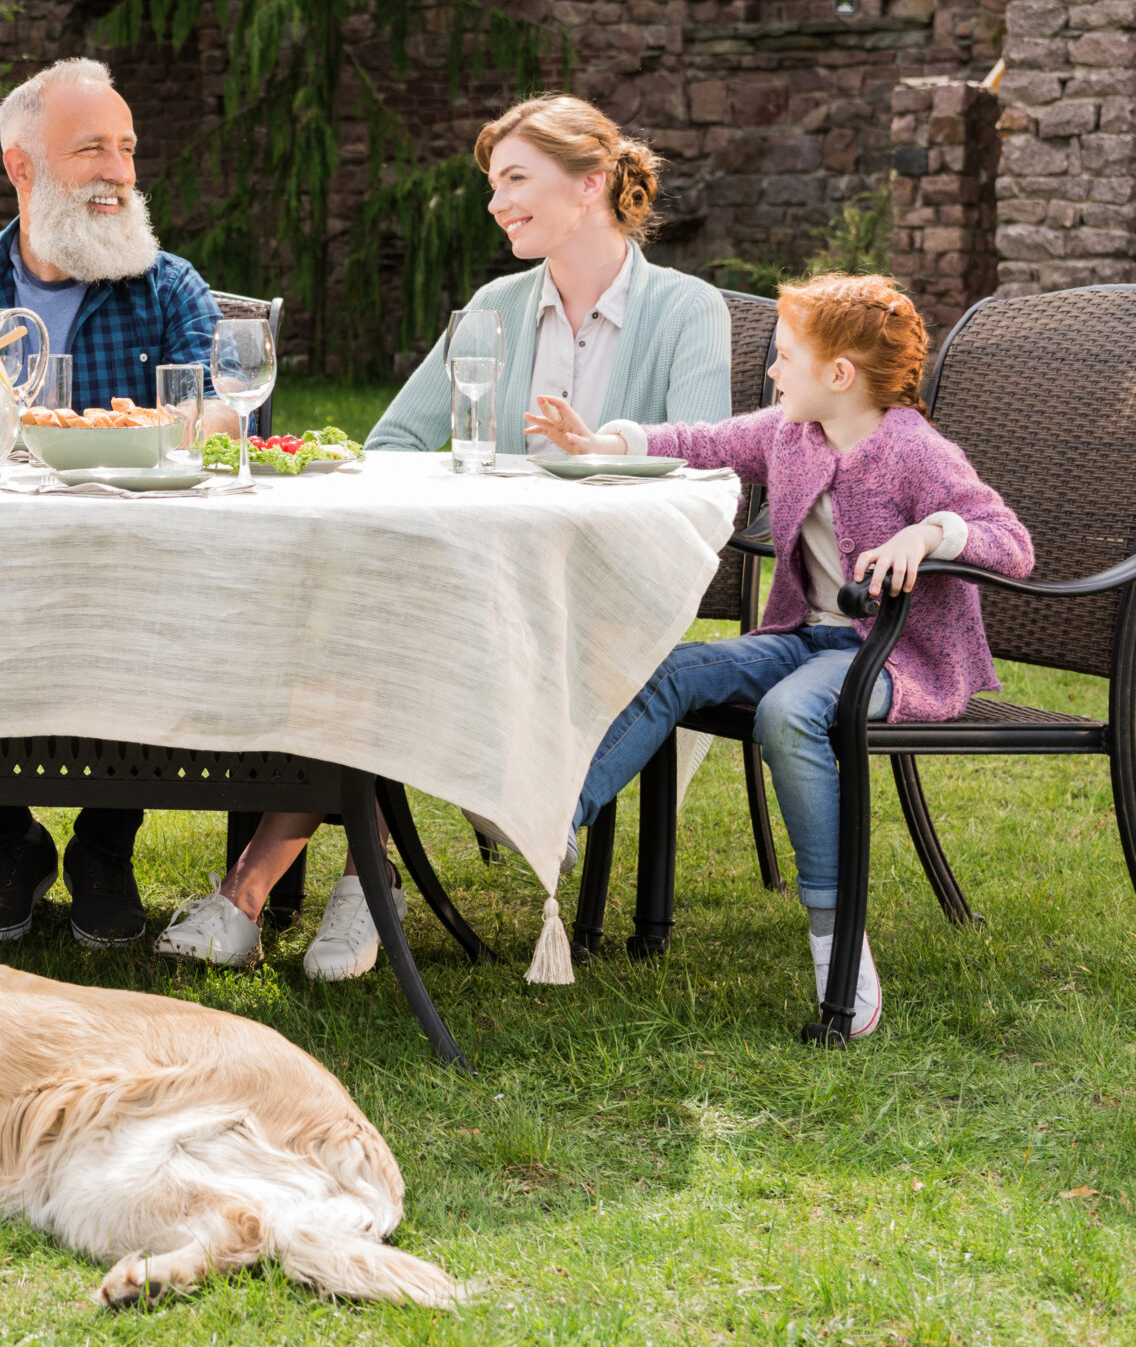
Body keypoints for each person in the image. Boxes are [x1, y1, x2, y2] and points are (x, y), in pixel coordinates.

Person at [158, 93, 733, 977]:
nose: (496, 203)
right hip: (479, 574)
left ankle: (259, 888)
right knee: (380, 627)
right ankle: (354, 882)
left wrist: (598, 452)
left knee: (374, 634)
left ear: (589, 184)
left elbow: (706, 464)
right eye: (491, 184)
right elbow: (392, 441)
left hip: (602, 593)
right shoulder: (496, 306)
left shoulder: (688, 311)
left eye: (515, 180)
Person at [521, 272, 1030, 1037]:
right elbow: (699, 442)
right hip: (805, 638)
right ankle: (556, 822)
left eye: (785, 357)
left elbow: (1010, 542)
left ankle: (838, 943)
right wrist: (605, 442)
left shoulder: (911, 449)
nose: (772, 370)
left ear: (839, 375)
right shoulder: (792, 432)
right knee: (678, 670)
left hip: (893, 661)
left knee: (789, 714)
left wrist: (928, 535)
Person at [0, 57, 221, 951]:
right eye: (92, 148)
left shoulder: (167, 286)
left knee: (144, 611)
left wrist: (172, 423)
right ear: (22, 167)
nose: (120, 171)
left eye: (128, 149)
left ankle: (107, 847)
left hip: (127, 567)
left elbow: (224, 402)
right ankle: (5, 844)